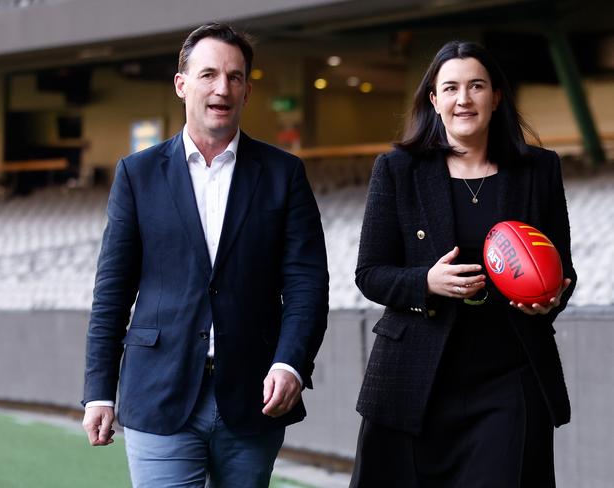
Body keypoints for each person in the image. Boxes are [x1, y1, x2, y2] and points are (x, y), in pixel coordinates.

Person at [81, 23, 329, 488]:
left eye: (235, 77)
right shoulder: (137, 175)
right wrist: (98, 390)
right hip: (158, 393)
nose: (222, 88)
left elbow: (307, 285)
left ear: (248, 91)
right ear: (181, 84)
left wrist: (291, 362)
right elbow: (111, 293)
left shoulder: (284, 174)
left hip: (254, 396)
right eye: (209, 74)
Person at [350, 40, 577, 487]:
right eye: (450, 87)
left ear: (495, 97)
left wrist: (550, 299)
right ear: (434, 100)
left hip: (508, 374)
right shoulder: (398, 169)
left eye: (476, 86)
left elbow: (562, 270)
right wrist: (427, 282)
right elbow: (369, 273)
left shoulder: (539, 169)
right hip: (414, 377)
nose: (464, 99)